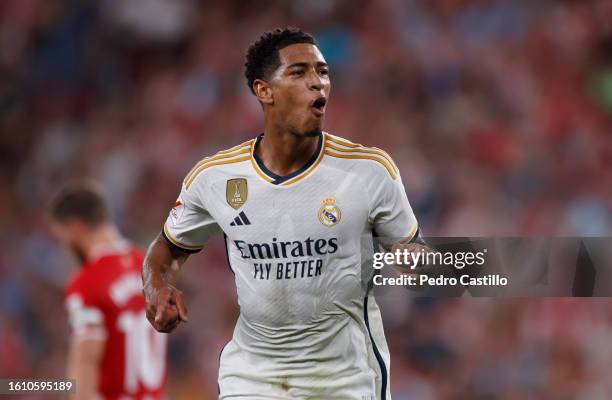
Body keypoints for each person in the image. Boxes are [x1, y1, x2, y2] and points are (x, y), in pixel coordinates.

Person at [142, 27, 425, 400]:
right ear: (264, 91)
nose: (317, 83)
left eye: (323, 72)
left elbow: (411, 254)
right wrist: (157, 286)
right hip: (253, 379)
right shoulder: (215, 178)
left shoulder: (369, 171)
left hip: (344, 380)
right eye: (299, 72)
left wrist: (480, 265)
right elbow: (166, 250)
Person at [48, 183, 167, 400]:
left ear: (76, 228)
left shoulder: (86, 282)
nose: (65, 247)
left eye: (62, 238)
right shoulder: (149, 266)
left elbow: (85, 363)